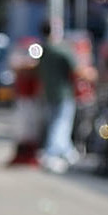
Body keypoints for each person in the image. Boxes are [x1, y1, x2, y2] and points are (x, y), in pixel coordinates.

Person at [34, 32, 79, 170]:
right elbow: (75, 69)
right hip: (63, 92)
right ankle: (52, 153)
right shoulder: (61, 49)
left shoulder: (44, 50)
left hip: (49, 93)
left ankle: (67, 151)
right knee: (61, 123)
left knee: (56, 122)